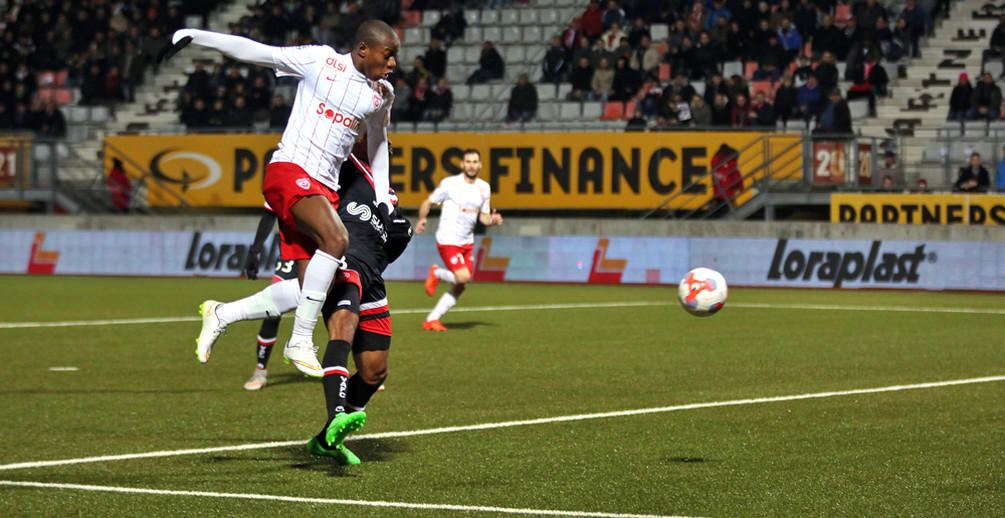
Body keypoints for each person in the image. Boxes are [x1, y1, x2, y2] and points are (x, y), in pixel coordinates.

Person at [166, 20, 399, 378]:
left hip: (324, 190)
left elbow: (379, 143)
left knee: (314, 288)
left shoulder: (379, 95)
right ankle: (300, 340)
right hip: (289, 169)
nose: (393, 64)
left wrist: (383, 197)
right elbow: (258, 51)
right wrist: (198, 37)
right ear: (364, 49)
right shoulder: (320, 61)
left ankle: (222, 313)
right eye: (388, 55)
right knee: (337, 240)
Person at [196, 152, 412, 463]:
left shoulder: (389, 196)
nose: (388, 147)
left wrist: (400, 235)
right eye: (382, 137)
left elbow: (387, 250)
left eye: (391, 145)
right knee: (342, 326)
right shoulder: (344, 165)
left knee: (375, 372)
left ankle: (326, 439)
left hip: (373, 278)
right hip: (343, 260)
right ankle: (336, 414)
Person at [416, 149, 504, 331]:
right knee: (463, 277)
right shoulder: (450, 184)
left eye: (475, 162)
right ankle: (437, 273)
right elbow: (428, 202)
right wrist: (422, 219)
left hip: (467, 242)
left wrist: (492, 221)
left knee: (461, 284)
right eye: (468, 162)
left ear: (480, 165)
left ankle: (431, 320)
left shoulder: (484, 187)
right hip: (448, 239)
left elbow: (483, 218)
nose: (471, 165)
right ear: (462, 164)